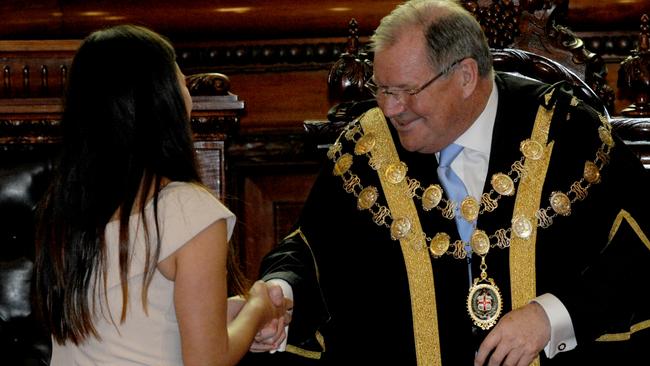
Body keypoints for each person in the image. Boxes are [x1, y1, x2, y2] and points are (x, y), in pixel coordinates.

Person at [248, 0, 650, 365]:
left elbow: (641, 244)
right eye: (381, 89)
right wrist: (280, 293)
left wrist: (552, 316)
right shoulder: (365, 149)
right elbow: (311, 249)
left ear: (465, 77)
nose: (390, 108)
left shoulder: (567, 132)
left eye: (405, 91)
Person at [34, 24, 289, 366]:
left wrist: (236, 312)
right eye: (181, 80)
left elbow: (134, 323)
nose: (188, 90)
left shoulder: (65, 207)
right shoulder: (187, 209)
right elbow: (208, 361)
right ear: (162, 101)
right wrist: (259, 306)